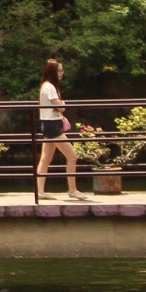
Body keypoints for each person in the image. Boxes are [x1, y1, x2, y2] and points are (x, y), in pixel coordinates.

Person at [35, 59, 87, 200]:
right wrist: (62, 103)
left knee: (45, 159)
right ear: (52, 71)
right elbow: (60, 107)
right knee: (72, 156)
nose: (61, 73)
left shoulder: (48, 86)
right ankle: (72, 190)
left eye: (62, 70)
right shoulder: (50, 87)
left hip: (49, 124)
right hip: (52, 126)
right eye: (59, 70)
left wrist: (60, 103)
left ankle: (40, 191)